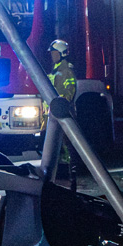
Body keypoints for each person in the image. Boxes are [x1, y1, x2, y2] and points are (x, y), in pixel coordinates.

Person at [47, 39, 78, 189]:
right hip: (55, 116)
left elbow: (68, 93)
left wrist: (60, 106)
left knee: (67, 151)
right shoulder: (55, 69)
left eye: (54, 53)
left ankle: (69, 182)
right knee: (57, 151)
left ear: (61, 54)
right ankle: (58, 182)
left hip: (63, 116)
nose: (52, 56)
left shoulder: (67, 70)